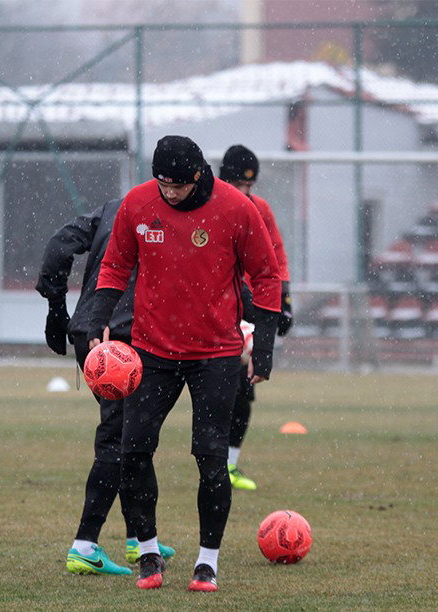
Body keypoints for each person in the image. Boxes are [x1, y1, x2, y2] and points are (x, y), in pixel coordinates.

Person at [88, 135, 281, 592]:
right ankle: (149, 553)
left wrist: (266, 347)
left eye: (177, 186)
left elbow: (267, 275)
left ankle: (207, 562)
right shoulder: (138, 205)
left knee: (210, 458)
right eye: (162, 184)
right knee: (132, 452)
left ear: (198, 175)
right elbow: (115, 265)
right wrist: (99, 320)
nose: (169, 193)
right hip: (151, 352)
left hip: (215, 355)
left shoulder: (236, 209)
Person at [36, 198, 175, 576]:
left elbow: (59, 246)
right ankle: (85, 545)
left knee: (132, 437)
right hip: (126, 339)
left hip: (90, 332)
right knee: (121, 440)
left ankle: (137, 539)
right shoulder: (171, 214)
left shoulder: (113, 209)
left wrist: (57, 308)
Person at [218, 144, 293, 490]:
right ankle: (215, 462)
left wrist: (284, 302)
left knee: (243, 388)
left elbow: (276, 258)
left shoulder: (259, 210)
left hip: (247, 313)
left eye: (249, 185)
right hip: (216, 309)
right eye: (238, 184)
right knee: (217, 390)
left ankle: (228, 466)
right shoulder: (210, 207)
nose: (245, 192)